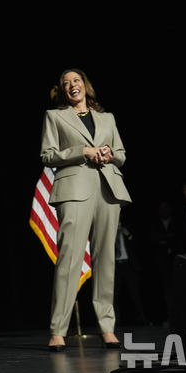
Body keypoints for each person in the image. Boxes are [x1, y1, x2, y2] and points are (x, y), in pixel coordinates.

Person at [40, 67, 132, 351]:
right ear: (63, 91)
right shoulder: (55, 116)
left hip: (108, 188)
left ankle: (107, 327)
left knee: (106, 260)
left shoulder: (108, 118)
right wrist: (84, 151)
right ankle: (58, 330)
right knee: (69, 260)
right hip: (74, 191)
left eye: (76, 80)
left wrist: (109, 154)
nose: (72, 85)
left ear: (85, 85)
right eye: (66, 83)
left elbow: (122, 154)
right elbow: (47, 155)